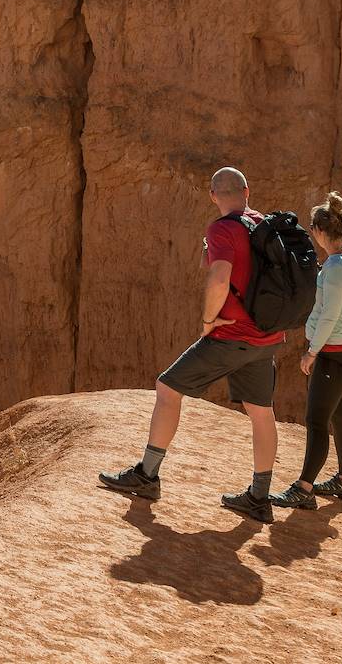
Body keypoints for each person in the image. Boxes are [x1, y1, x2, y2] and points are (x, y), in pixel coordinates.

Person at [98, 166, 284, 523]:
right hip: (267, 337)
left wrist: (209, 321)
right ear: (247, 189)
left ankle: (147, 476)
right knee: (262, 413)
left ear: (213, 196)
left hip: (231, 335)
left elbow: (219, 276)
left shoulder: (223, 228)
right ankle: (260, 498)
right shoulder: (264, 224)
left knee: (167, 388)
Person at [270, 193, 342, 508]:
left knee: (316, 420)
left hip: (334, 356)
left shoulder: (336, 267)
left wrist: (311, 352)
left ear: (321, 232)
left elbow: (330, 316)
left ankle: (304, 489)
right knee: (339, 417)